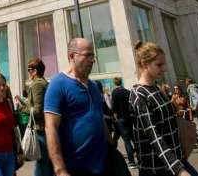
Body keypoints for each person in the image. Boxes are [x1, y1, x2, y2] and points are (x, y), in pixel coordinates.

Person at [129, 41, 198, 176]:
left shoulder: (157, 87)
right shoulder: (139, 94)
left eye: (163, 64)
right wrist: (179, 170)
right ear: (144, 64)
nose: (164, 68)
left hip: (177, 159)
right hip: (157, 168)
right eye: (159, 65)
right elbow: (153, 136)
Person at [44, 38, 106, 176]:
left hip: (101, 166)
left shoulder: (94, 86)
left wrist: (112, 151)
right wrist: (60, 170)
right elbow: (50, 128)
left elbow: (100, 120)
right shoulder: (58, 84)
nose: (93, 60)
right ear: (72, 56)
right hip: (74, 168)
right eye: (87, 55)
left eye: (93, 55)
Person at [21, 58, 52, 176]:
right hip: (44, 127)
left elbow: (38, 110)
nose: (28, 72)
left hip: (40, 128)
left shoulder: (37, 84)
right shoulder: (43, 82)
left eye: (29, 69)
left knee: (43, 162)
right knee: (43, 162)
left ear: (35, 71)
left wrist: (22, 109)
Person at [111, 77, 137, 169]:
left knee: (127, 141)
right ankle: (141, 159)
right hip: (130, 118)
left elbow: (114, 107)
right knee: (134, 139)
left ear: (114, 83)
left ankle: (131, 162)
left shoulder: (114, 92)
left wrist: (115, 118)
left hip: (121, 119)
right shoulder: (127, 91)